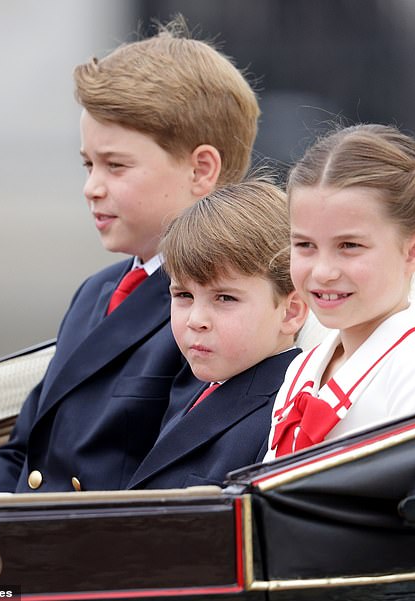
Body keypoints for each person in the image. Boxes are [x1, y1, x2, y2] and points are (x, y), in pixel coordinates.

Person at [0, 18, 260, 493]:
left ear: (201, 168)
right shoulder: (97, 291)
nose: (91, 188)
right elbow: (24, 449)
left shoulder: (223, 309)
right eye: (88, 164)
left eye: (116, 165)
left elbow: (171, 480)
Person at [265, 124, 415, 460]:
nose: (323, 271)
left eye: (350, 246)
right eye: (305, 245)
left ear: (414, 251)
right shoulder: (303, 367)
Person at [127, 181, 308, 489]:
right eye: (183, 294)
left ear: (290, 312)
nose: (196, 320)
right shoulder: (196, 382)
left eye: (225, 298)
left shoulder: (284, 417)